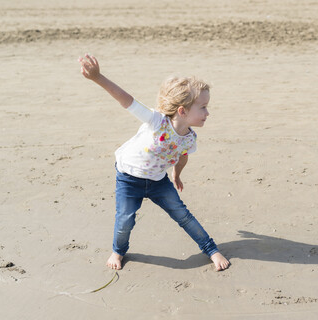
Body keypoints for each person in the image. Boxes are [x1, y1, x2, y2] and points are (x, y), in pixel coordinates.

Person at [78, 54, 230, 271]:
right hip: (129, 178)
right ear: (182, 111)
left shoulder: (189, 138)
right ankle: (118, 251)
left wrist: (177, 175)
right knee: (125, 221)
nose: (208, 112)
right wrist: (97, 77)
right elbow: (126, 99)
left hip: (159, 182)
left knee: (183, 215)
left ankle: (211, 250)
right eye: (203, 107)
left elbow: (182, 155)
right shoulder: (156, 121)